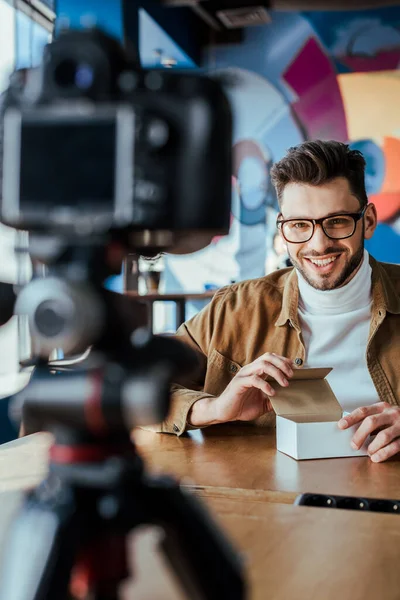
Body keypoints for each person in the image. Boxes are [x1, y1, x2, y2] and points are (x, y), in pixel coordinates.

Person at [150, 140, 400, 464]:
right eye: (299, 225)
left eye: (337, 221)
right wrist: (213, 408)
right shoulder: (235, 309)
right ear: (282, 230)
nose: (319, 244)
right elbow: (143, 386)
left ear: (367, 221)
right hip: (266, 507)